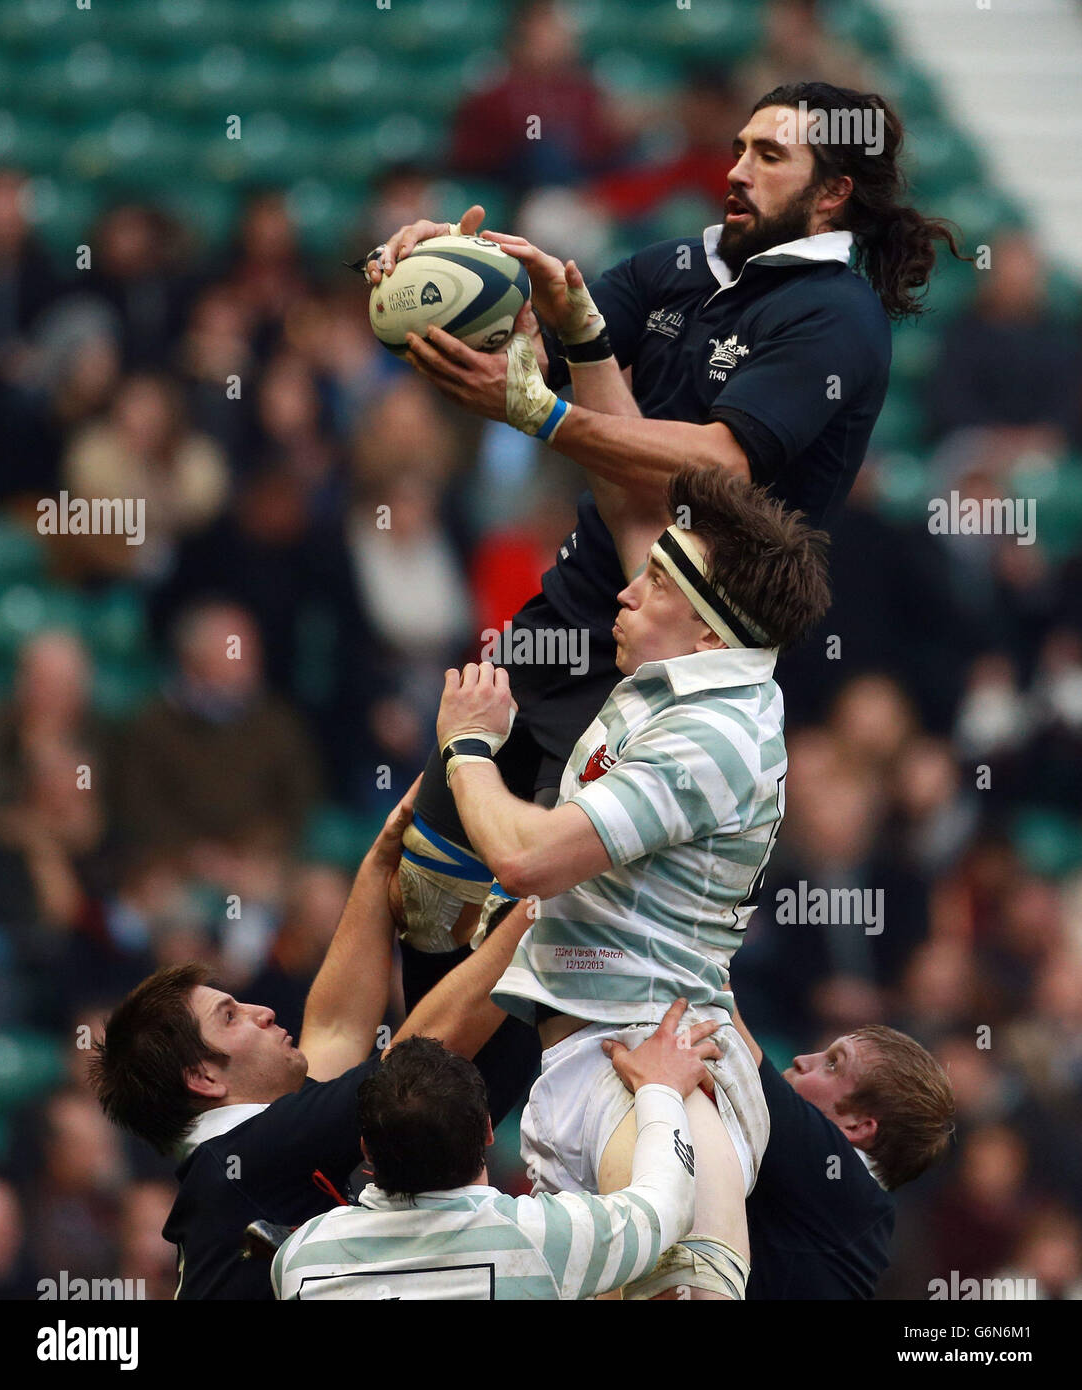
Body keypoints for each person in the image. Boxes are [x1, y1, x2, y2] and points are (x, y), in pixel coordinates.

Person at [362, 80, 964, 942]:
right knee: (419, 893)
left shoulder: (836, 317)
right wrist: (437, 271)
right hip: (575, 606)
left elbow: (717, 462)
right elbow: (547, 334)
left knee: (536, 924)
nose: (737, 169)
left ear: (832, 191)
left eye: (769, 155)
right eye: (738, 148)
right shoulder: (679, 267)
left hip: (676, 659)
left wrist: (542, 415)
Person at [433, 466, 831, 1299]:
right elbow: (626, 499)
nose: (623, 593)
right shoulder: (697, 674)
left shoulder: (713, 737)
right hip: (601, 1054)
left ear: (710, 635)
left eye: (654, 582)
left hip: (657, 1072)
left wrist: (468, 750)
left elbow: (527, 858)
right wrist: (577, 351)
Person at [89, 785, 418, 1300]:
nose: (264, 1012)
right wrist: (536, 917)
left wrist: (382, 853)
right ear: (202, 1077)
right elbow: (427, 1054)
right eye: (231, 1017)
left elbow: (337, 1026)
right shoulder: (253, 1153)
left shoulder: (234, 1156)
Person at [272, 1000, 714, 1300]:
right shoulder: (544, 1238)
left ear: (367, 1150)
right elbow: (667, 1206)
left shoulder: (301, 1256)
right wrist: (659, 1087)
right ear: (488, 1130)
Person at [731, 1003, 955, 1299]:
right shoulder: (854, 1203)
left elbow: (727, 1032)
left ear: (858, 1125)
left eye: (833, 1064)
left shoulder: (837, 1177)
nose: (802, 1060)